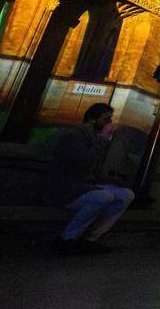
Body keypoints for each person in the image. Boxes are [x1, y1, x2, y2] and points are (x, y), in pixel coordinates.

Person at [48, 103, 135, 254]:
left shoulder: (96, 138)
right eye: (106, 119)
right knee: (103, 197)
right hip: (67, 188)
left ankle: (90, 238)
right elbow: (83, 161)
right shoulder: (75, 135)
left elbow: (92, 170)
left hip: (85, 185)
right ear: (93, 120)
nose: (109, 123)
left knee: (126, 195)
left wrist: (110, 180)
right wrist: (102, 139)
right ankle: (67, 238)